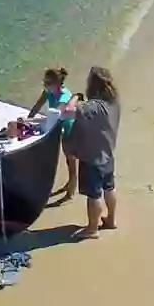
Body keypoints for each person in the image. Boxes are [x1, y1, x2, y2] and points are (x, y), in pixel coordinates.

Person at [62, 66, 121, 239]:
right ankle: (111, 220)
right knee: (109, 188)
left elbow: (67, 113)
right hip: (108, 154)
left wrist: (75, 98)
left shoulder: (92, 107)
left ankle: (92, 228)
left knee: (94, 195)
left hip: (92, 158)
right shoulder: (114, 101)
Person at [28, 67, 78, 202]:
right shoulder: (48, 92)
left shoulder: (64, 97)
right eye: (44, 82)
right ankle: (68, 184)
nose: (44, 85)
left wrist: (32, 121)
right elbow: (38, 105)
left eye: (47, 83)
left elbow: (55, 116)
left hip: (69, 128)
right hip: (57, 126)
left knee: (70, 161)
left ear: (57, 84)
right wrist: (28, 119)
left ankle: (71, 191)